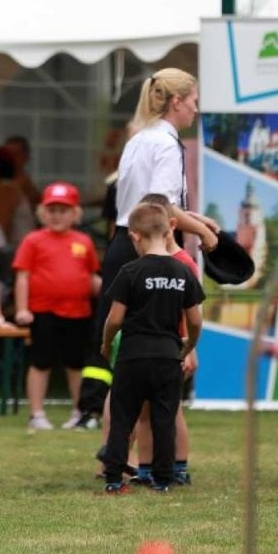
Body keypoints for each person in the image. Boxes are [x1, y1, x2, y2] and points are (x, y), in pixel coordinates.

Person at [74, 69, 212, 429]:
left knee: (124, 354)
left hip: (124, 243)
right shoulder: (167, 144)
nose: (196, 110)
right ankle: (152, 459)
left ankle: (117, 454)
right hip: (150, 250)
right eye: (194, 102)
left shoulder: (139, 138)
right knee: (156, 355)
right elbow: (162, 209)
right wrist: (206, 236)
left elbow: (145, 203)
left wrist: (195, 218)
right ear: (177, 102)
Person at [97, 202, 204, 494]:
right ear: (168, 229)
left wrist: (107, 345)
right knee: (164, 419)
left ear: (135, 236)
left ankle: (114, 479)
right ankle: (163, 480)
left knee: (122, 418)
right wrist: (188, 346)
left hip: (132, 356)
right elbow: (195, 321)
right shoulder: (184, 273)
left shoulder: (130, 271)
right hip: (167, 357)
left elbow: (115, 319)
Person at [12, 181, 100, 431]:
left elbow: (91, 276)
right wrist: (21, 309)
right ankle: (37, 414)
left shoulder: (84, 241)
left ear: (75, 213)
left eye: (64, 210)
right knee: (40, 362)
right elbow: (22, 276)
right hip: (42, 311)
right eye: (52, 210)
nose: (57, 215)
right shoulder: (33, 240)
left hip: (78, 312)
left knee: (75, 364)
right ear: (42, 213)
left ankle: (79, 411)